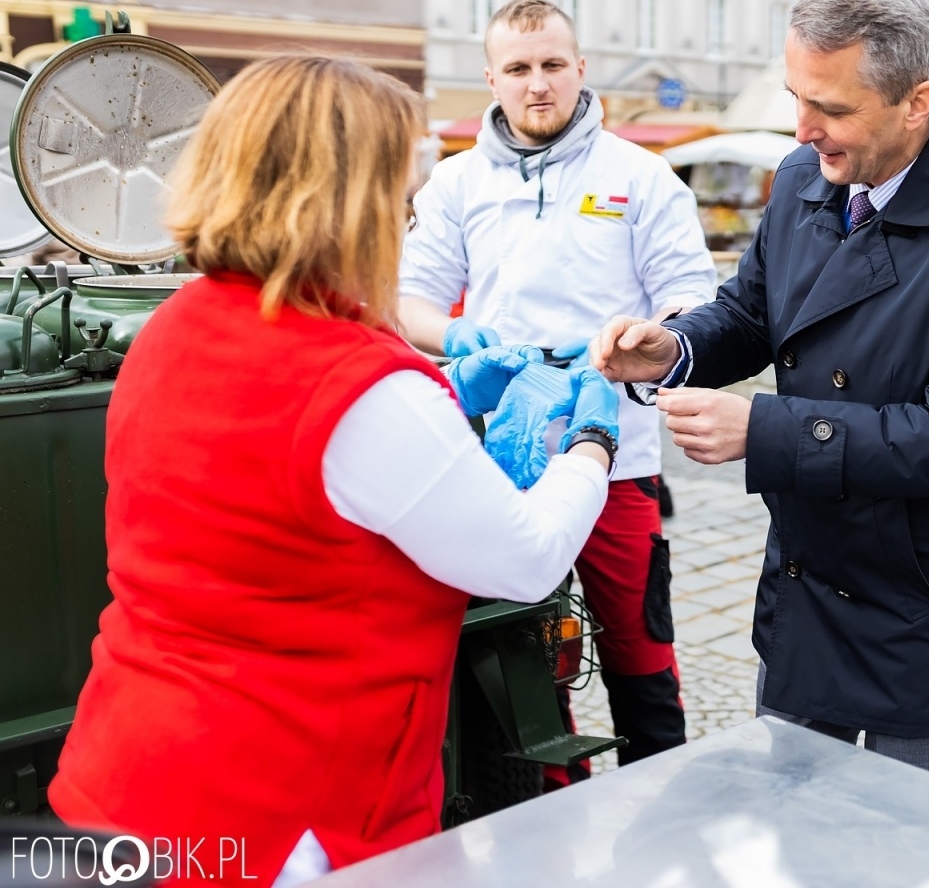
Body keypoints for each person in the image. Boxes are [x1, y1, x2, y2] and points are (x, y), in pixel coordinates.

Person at [47, 57, 619, 887]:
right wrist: (591, 444)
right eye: (400, 191)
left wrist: (443, 397)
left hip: (126, 779)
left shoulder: (174, 327)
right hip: (281, 821)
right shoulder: (359, 388)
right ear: (345, 203)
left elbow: (279, 472)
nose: (410, 213)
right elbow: (526, 557)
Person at [592, 0, 929, 785]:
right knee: (791, 829)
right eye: (795, 97)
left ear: (918, 102)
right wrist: (674, 348)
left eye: (831, 107)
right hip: (810, 580)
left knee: (914, 849)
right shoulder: (809, 173)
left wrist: (764, 430)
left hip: (922, 600)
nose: (803, 127)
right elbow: (751, 313)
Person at [398, 0, 718, 778]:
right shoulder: (455, 182)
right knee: (529, 662)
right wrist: (455, 336)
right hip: (502, 465)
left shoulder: (641, 177)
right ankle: (553, 814)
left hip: (617, 455)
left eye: (551, 65)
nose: (537, 84)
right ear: (491, 79)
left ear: (580, 68)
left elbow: (694, 299)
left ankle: (663, 801)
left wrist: (648, 340)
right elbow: (410, 303)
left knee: (642, 655)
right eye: (518, 69)